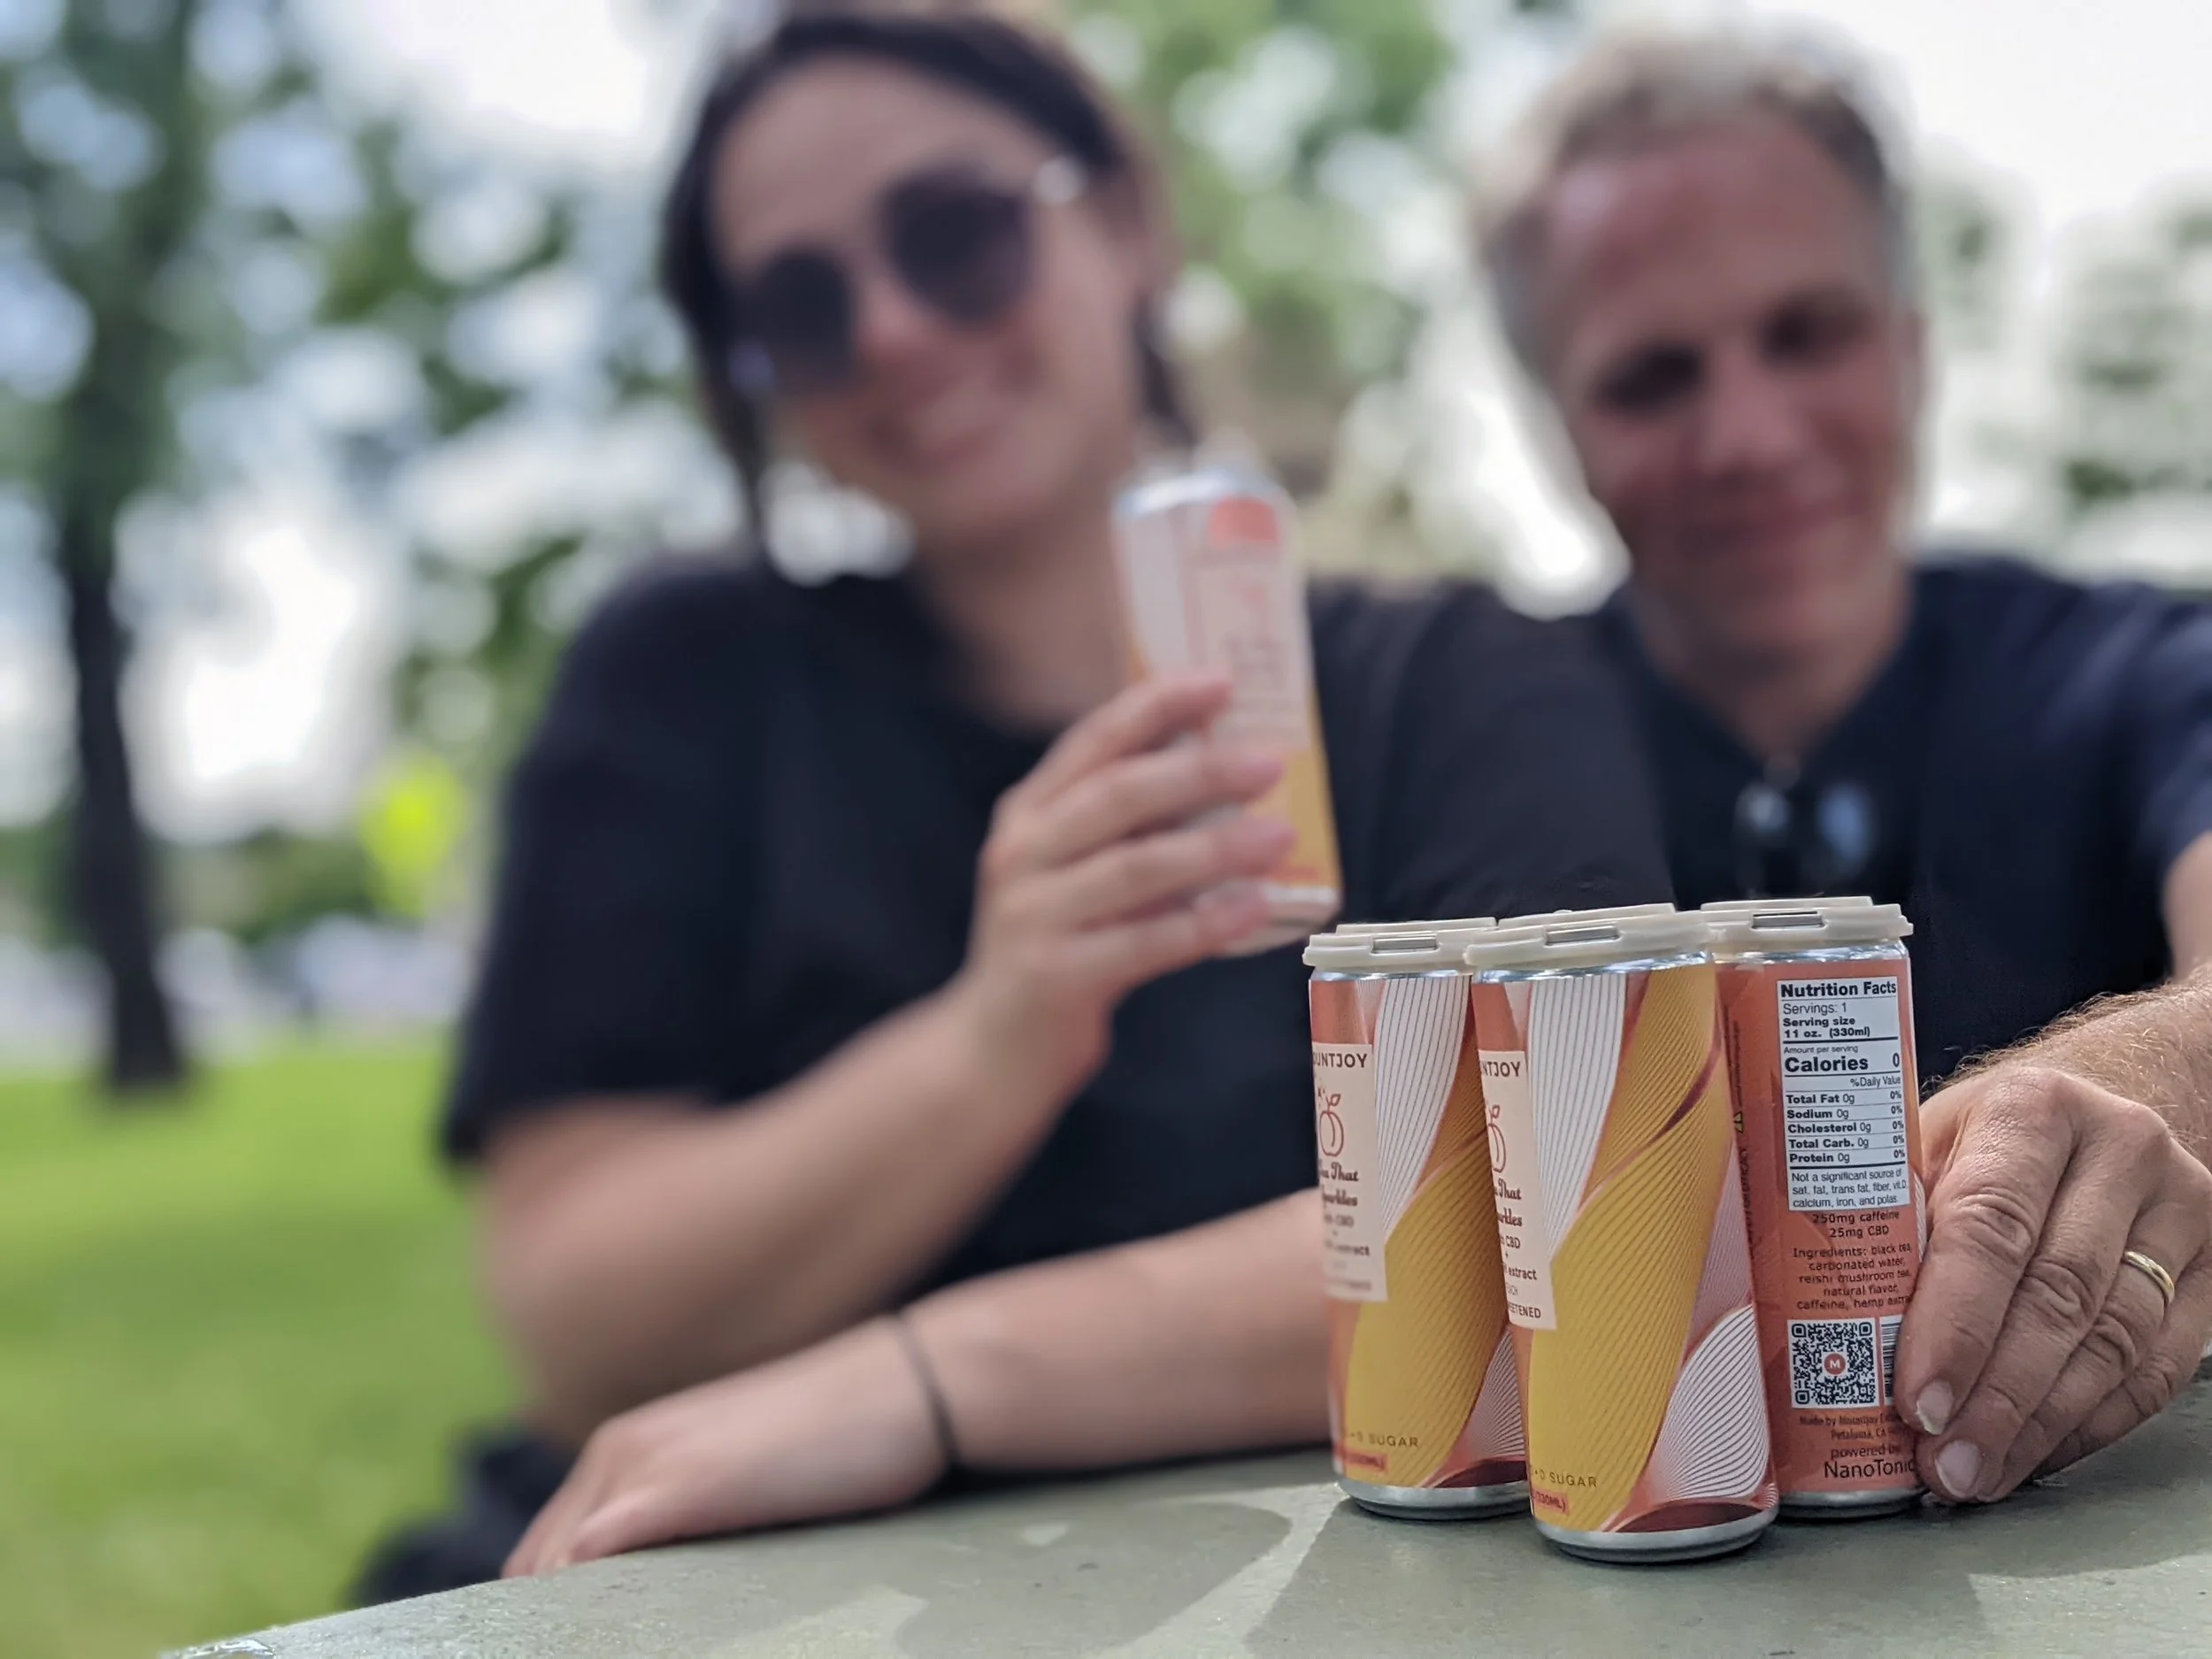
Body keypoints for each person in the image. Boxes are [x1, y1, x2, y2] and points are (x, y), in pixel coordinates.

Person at [360, 12, 1670, 1594]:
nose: (897, 330)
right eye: (800, 301)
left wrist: (928, 1375)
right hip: (677, 1585)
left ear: (1126, 222)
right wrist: (994, 1039)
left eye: (955, 233)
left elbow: (1557, 1232)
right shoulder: (688, 680)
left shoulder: (1456, 688)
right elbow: (579, 1329)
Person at [1475, 29, 2212, 1512]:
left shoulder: (2147, 669)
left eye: (1809, 331)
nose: (1748, 433)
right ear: (1562, 433)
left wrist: (2139, 1076)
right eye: (1653, 376)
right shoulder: (1465, 737)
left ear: (1915, 345)